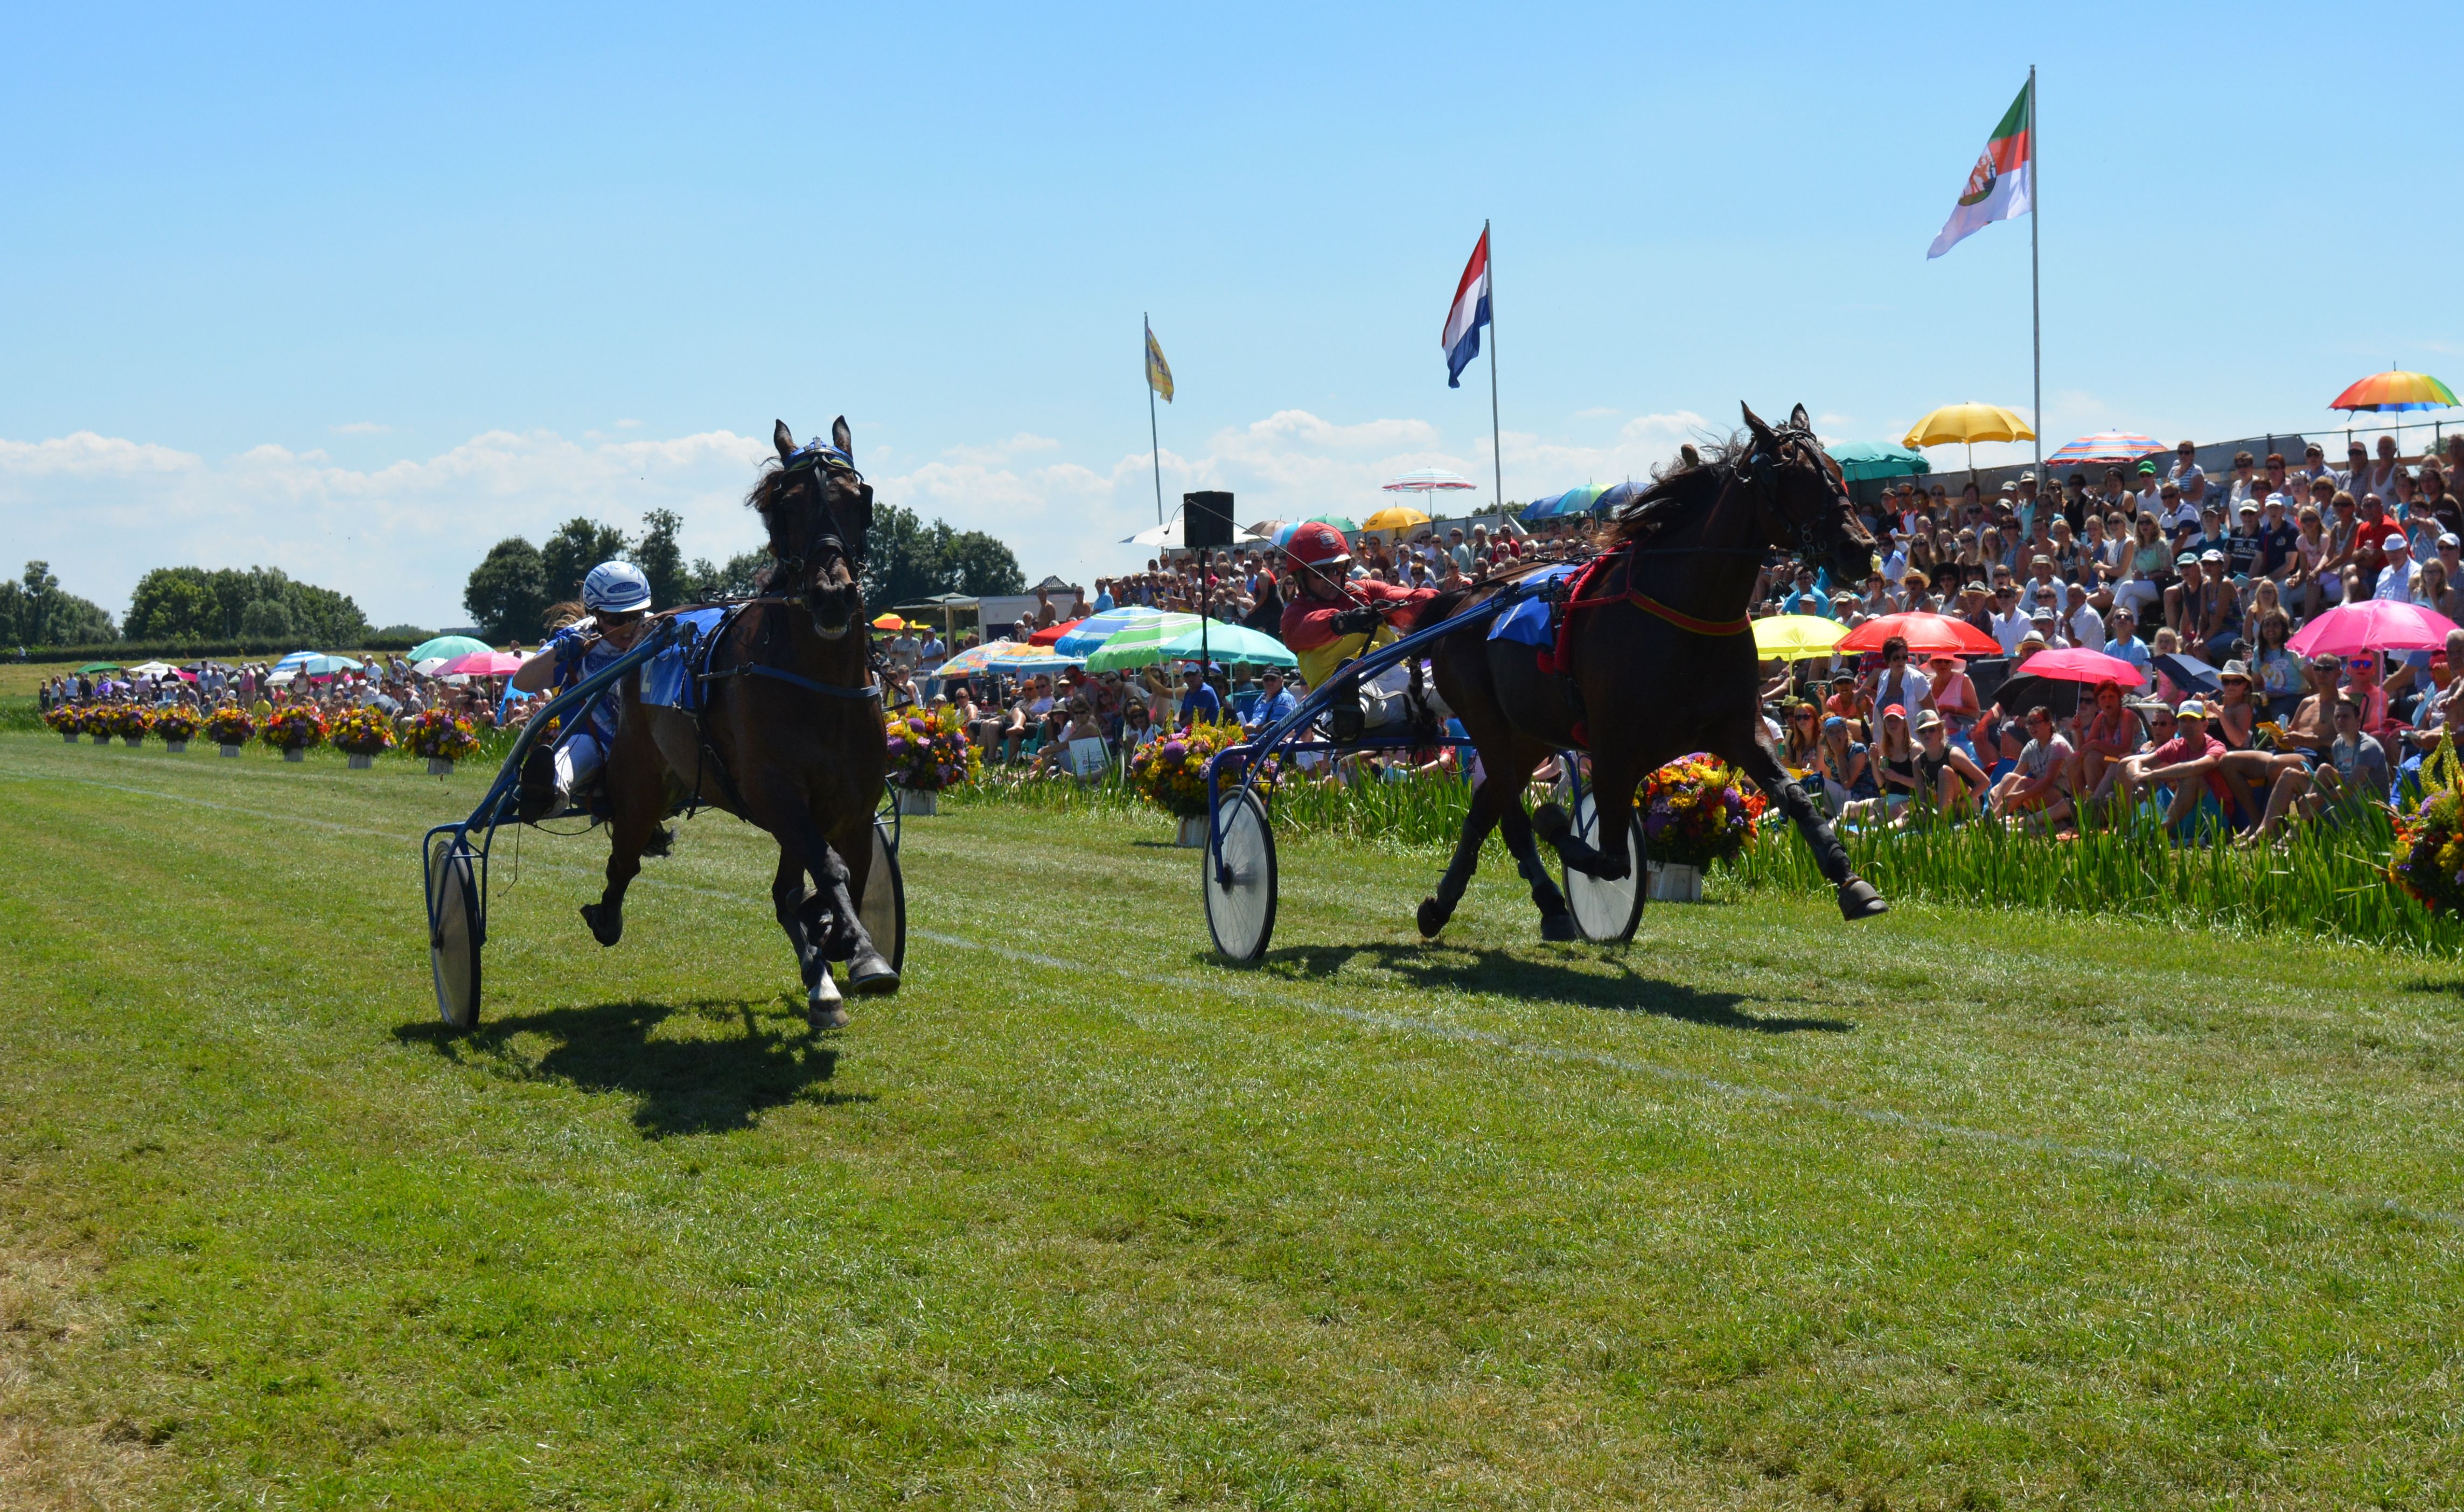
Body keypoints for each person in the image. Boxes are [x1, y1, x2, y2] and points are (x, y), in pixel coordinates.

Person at [511, 561, 656, 820]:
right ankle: (550, 793)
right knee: (578, 748)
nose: (630, 627)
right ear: (596, 615)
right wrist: (559, 653)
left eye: (637, 616)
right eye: (617, 619)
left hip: (649, 744)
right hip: (593, 746)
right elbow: (522, 682)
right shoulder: (574, 638)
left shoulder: (661, 631)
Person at [1277, 521, 1436, 730]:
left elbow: (1407, 598)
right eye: (1320, 572)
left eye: (1337, 569)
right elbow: (1307, 628)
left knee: (1449, 677)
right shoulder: (1294, 614)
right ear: (1301, 576)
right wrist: (1346, 621)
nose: (1332, 578)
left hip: (1402, 677)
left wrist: (1436, 603)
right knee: (1358, 702)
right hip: (1345, 690)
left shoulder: (1364, 590)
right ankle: (1349, 713)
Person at [1987, 705, 2075, 829]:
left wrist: (2021, 795)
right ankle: (1993, 816)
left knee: (2024, 782)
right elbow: (2016, 774)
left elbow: (2048, 782)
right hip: (2040, 794)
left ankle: (1993, 819)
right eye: (2029, 723)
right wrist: (1997, 789)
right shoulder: (2031, 746)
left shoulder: (2058, 745)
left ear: (2049, 724)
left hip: (2062, 797)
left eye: (2037, 722)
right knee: (2009, 776)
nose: (2032, 727)